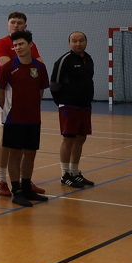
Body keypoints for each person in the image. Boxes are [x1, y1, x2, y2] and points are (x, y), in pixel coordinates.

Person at [0, 30, 51, 206]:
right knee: (15, 155)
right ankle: (16, 191)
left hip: (33, 119)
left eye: (21, 44)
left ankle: (27, 187)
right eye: (15, 45)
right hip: (14, 120)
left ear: (30, 45)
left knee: (30, 154)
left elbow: (40, 91)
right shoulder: (8, 67)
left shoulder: (39, 67)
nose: (18, 48)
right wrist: (9, 111)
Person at [51, 31, 96, 188]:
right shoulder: (64, 60)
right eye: (74, 41)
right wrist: (61, 103)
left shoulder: (88, 59)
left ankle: (75, 172)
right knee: (68, 139)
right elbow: (54, 84)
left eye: (81, 40)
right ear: (69, 43)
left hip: (85, 106)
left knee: (81, 139)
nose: (78, 43)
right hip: (69, 106)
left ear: (86, 42)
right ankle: (65, 174)